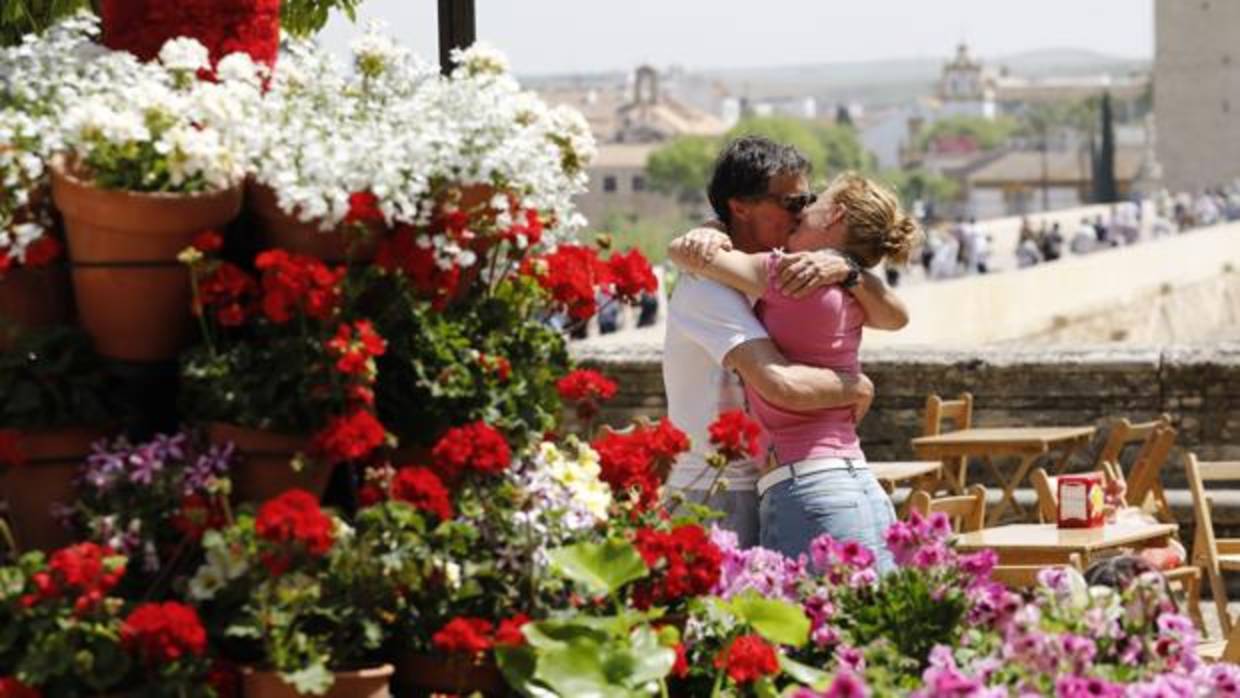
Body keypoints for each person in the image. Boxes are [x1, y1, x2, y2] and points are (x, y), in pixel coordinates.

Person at [660, 136, 904, 549]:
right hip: (719, 489)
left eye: (808, 200)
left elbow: (895, 315)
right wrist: (857, 387)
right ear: (740, 207)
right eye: (792, 203)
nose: (804, 213)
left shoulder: (789, 276)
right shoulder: (708, 285)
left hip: (765, 480)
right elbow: (780, 384)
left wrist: (847, 268)